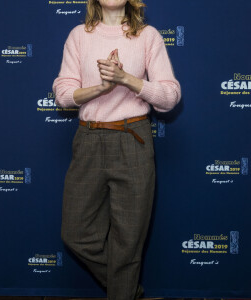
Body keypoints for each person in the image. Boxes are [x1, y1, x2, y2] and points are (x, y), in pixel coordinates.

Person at [52, 0, 181, 299]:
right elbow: (62, 94)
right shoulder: (78, 35)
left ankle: (122, 290)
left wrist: (126, 79)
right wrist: (102, 87)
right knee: (75, 234)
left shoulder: (148, 36)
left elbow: (170, 96)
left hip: (132, 140)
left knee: (128, 242)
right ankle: (127, 290)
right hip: (89, 141)